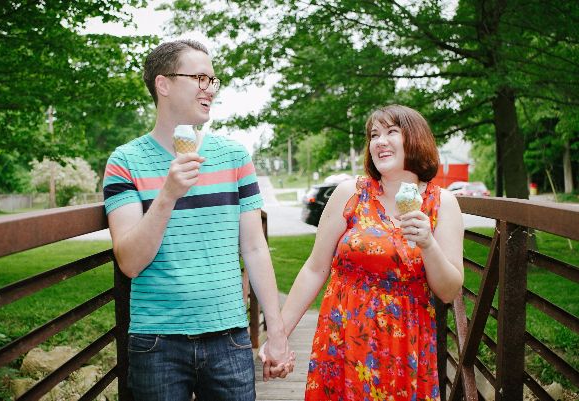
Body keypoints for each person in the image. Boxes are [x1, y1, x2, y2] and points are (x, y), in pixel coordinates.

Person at [103, 39, 292, 401]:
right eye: (200, 78)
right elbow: (129, 262)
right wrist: (168, 193)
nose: (210, 90)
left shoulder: (235, 156)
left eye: (213, 80)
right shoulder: (125, 161)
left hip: (230, 339)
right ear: (164, 84)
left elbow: (254, 247)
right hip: (156, 342)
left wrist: (278, 332)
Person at [272, 104, 464, 400]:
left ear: (415, 138)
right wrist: (278, 335)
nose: (379, 141)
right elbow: (315, 268)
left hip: (404, 348)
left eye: (391, 132)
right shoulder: (350, 192)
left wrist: (428, 243)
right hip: (344, 338)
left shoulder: (443, 204)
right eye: (374, 135)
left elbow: (449, 290)